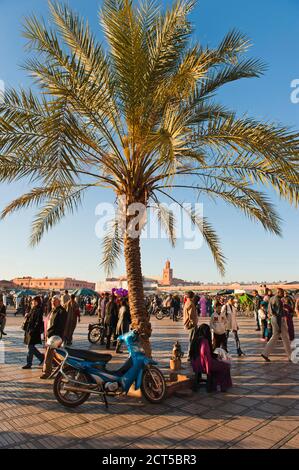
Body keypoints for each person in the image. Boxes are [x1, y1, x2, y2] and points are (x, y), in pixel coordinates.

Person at [190, 324, 232, 392]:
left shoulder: (195, 340)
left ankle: (214, 384)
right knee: (226, 366)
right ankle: (223, 386)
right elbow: (207, 358)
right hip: (205, 365)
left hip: (196, 365)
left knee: (219, 363)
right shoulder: (204, 341)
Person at [261, 288, 292, 362]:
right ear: (278, 292)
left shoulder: (272, 298)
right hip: (279, 320)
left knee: (275, 337)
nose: (283, 294)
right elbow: (278, 314)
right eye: (282, 293)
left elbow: (270, 310)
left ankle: (265, 353)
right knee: (285, 338)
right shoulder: (278, 300)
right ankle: (290, 356)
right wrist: (279, 326)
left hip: (273, 318)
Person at [40, 296, 67, 379]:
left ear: (59, 301)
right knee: (54, 354)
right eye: (52, 301)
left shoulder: (61, 311)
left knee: (49, 354)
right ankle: (65, 368)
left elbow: (60, 326)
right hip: (49, 335)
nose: (52, 302)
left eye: (54, 301)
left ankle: (47, 372)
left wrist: (53, 335)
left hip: (55, 336)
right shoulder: (52, 310)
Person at [22, 296, 44, 369]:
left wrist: (33, 329)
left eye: (35, 301)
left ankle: (29, 363)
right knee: (31, 347)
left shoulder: (39, 309)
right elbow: (30, 317)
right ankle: (41, 358)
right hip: (29, 329)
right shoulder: (33, 308)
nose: (33, 302)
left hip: (34, 331)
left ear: (38, 302)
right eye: (33, 301)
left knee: (30, 347)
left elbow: (38, 321)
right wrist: (27, 315)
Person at [183, 291, 198, 361]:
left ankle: (192, 354)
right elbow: (191, 316)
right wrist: (193, 323)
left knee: (192, 340)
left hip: (187, 324)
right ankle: (189, 355)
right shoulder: (191, 304)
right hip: (191, 325)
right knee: (192, 340)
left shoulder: (186, 303)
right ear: (192, 296)